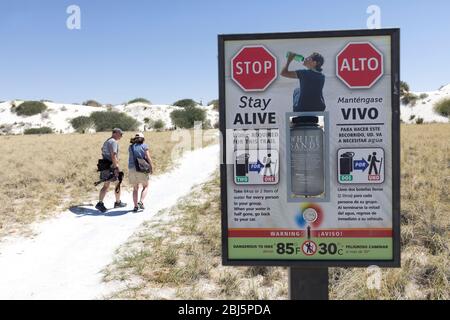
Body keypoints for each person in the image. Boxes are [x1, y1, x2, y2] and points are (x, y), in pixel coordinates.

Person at [95, 128, 127, 213]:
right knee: (117, 184)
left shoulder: (107, 141)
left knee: (106, 185)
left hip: (104, 165)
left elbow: (102, 149)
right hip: (111, 167)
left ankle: (100, 203)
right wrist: (116, 167)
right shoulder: (113, 142)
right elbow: (113, 155)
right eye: (120, 134)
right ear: (115, 133)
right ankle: (118, 202)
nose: (121, 136)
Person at [128, 132, 154, 212]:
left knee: (135, 189)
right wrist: (151, 167)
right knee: (145, 186)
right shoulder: (144, 146)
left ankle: (135, 206)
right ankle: (141, 202)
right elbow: (148, 157)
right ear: (143, 138)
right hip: (141, 168)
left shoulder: (130, 147)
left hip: (132, 168)